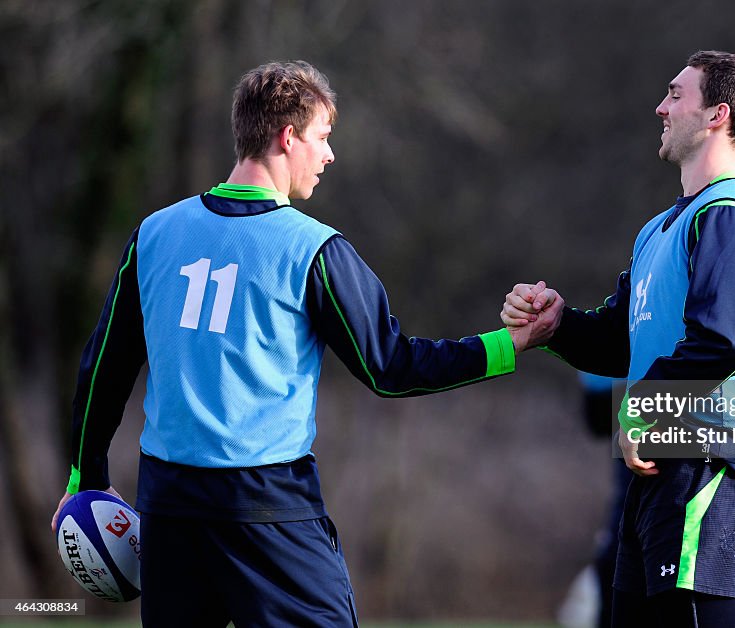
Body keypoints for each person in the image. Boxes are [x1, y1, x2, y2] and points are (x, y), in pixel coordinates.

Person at [51, 60, 556, 627]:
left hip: (169, 508)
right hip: (266, 512)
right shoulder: (314, 249)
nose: (329, 154)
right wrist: (510, 345)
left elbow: (104, 368)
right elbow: (390, 366)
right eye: (322, 137)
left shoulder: (155, 232)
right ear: (287, 137)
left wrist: (85, 476)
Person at [502, 51, 735, 627]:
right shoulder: (658, 230)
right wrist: (556, 327)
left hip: (713, 470)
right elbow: (617, 343)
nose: (661, 106)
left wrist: (641, 406)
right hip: (659, 473)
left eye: (676, 95)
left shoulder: (731, 216)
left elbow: (725, 341)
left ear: (716, 115)